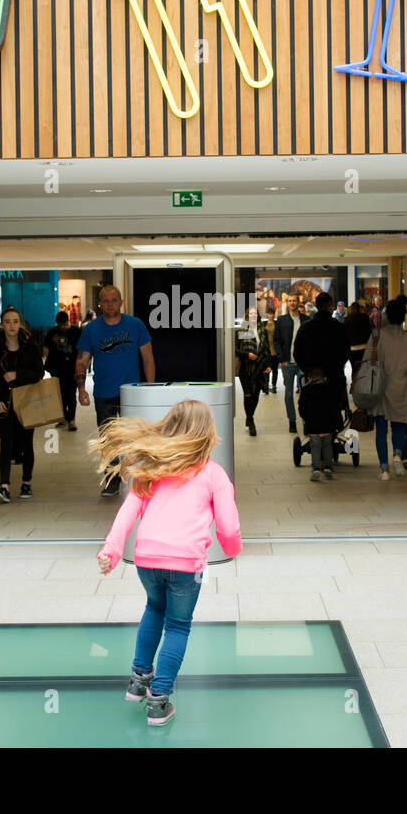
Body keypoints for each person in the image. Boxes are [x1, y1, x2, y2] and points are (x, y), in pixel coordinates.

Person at [93, 399, 242, 727]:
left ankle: (138, 680)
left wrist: (111, 551)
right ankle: (158, 701)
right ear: (208, 433)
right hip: (185, 565)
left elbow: (127, 512)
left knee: (153, 609)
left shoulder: (152, 470)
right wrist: (233, 548)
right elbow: (228, 527)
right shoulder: (214, 474)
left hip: (147, 560)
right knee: (177, 625)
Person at [75, 285, 155, 497]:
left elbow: (148, 358)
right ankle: (113, 480)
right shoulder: (91, 329)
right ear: (100, 304)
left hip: (131, 392)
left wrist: (150, 388)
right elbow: (82, 361)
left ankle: (140, 478)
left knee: (135, 437)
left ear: (121, 302)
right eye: (105, 300)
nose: (110, 304)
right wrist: (81, 389)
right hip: (103, 393)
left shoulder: (135, 325)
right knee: (109, 440)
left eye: (114, 300)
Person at [0, 306, 44, 503]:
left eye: (15, 321)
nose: (12, 325)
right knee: (6, 443)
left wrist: (17, 375)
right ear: (2, 325)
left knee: (26, 442)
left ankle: (26, 482)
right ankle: (4, 485)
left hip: (26, 401)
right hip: (4, 403)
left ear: (20, 324)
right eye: (8, 322)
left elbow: (39, 373)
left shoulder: (30, 346)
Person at [372, 299, 407, 480]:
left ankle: (383, 469)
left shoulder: (377, 337)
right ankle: (397, 453)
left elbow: (368, 363)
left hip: (381, 389)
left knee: (381, 428)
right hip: (402, 388)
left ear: (386, 316)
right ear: (404, 317)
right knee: (399, 426)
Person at [293, 291, 351, 419]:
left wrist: (308, 371)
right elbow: (346, 351)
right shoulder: (338, 327)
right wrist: (337, 367)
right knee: (333, 413)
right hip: (334, 378)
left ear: (317, 306)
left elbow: (297, 352)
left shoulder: (305, 327)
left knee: (314, 413)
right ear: (331, 307)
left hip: (313, 379)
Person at [298, 368, 340, 482]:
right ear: (324, 378)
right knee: (327, 446)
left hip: (313, 424)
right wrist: (335, 421)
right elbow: (334, 408)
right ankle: (328, 467)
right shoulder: (330, 389)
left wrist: (306, 418)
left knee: (315, 447)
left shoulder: (306, 390)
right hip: (327, 424)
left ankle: (316, 468)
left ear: (309, 378)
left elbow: (302, 409)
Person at [273, 295, 307, 433]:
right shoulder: (281, 320)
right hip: (288, 363)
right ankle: (292, 420)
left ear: (298, 302)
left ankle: (306, 422)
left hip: (303, 364)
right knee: (288, 395)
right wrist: (282, 360)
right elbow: (276, 341)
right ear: (287, 303)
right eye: (290, 301)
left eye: (294, 301)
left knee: (305, 394)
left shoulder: (306, 320)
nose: (292, 303)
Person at [42, 310, 80, 431]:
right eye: (60, 325)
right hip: (57, 369)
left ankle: (71, 420)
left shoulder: (76, 332)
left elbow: (82, 350)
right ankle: (62, 418)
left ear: (68, 321)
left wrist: (80, 366)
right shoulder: (53, 332)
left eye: (64, 324)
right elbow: (45, 347)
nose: (63, 327)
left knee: (71, 394)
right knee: (59, 394)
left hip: (71, 369)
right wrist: (52, 359)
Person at [235, 306, 270, 436]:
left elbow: (265, 349)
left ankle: (249, 416)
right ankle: (251, 420)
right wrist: (247, 355)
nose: (253, 316)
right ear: (247, 316)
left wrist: (268, 365)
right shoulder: (243, 329)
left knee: (256, 395)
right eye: (251, 314)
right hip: (246, 368)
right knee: (248, 394)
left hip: (259, 368)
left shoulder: (262, 330)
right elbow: (236, 350)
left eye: (255, 314)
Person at [345, 301, 373, 380]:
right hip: (365, 347)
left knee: (354, 369)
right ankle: (364, 386)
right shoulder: (365, 317)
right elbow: (371, 331)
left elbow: (345, 335)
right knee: (364, 369)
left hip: (352, 349)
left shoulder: (347, 320)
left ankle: (354, 386)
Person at [263, 305, 279, 394]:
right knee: (267, 369)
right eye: (269, 314)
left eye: (272, 314)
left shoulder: (277, 323)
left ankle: (274, 386)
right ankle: (266, 386)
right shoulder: (264, 323)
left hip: (275, 349)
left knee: (275, 369)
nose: (271, 315)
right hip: (266, 349)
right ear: (267, 314)